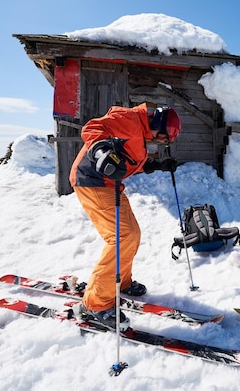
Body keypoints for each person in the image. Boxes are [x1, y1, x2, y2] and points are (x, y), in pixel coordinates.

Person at [69, 103, 181, 330]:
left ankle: (121, 282)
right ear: (157, 125)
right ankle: (96, 305)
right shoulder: (129, 119)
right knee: (123, 237)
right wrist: (102, 152)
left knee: (132, 234)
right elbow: (92, 129)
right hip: (92, 181)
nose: (161, 142)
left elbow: (129, 160)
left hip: (110, 185)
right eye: (162, 138)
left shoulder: (140, 132)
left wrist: (156, 165)